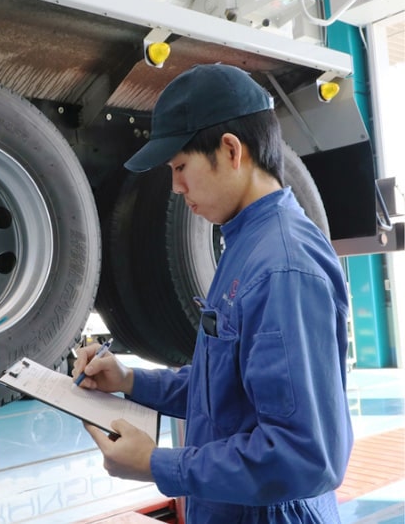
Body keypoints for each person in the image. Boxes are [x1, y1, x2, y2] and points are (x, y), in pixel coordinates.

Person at [73, 64, 353, 523]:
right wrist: (130, 381)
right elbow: (226, 389)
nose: (176, 186)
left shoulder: (282, 267)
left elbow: (307, 456)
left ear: (230, 150)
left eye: (181, 167)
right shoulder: (245, 242)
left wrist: (156, 464)